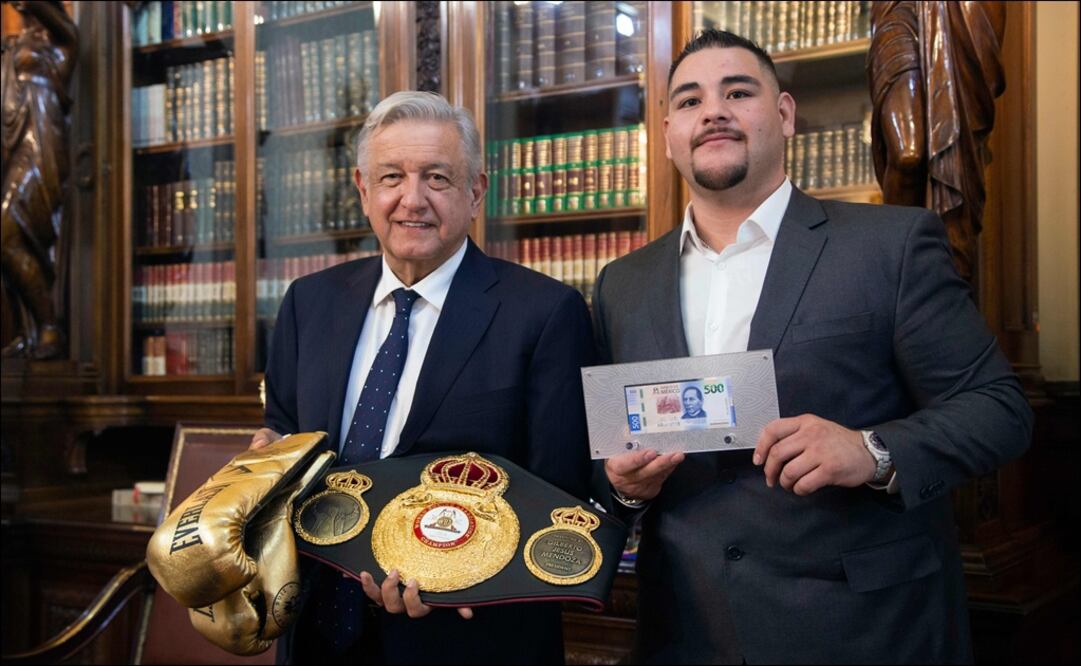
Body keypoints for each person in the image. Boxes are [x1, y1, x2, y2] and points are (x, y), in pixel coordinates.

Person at [593, 30, 1031, 664]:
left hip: (862, 629)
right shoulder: (621, 285)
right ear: (666, 135)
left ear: (785, 115)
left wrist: (871, 450)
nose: (713, 110)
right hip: (683, 630)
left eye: (738, 91)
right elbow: (610, 462)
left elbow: (1000, 409)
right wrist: (627, 488)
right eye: (689, 101)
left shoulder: (891, 245)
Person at [251, 91, 594, 664]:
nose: (412, 200)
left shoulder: (545, 312)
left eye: (437, 178)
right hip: (314, 634)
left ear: (476, 191)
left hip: (467, 642)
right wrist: (263, 461)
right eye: (391, 177)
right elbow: (283, 432)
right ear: (363, 189)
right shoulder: (308, 303)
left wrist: (452, 574)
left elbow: (559, 496)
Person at [1, 0, 77, 359]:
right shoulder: (14, 43)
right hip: (14, 145)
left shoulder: (61, 42)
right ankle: (29, 331)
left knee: (6, 231)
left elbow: (67, 28)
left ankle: (49, 327)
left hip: (42, 148)